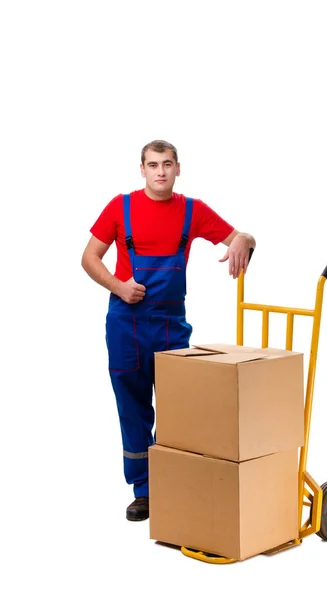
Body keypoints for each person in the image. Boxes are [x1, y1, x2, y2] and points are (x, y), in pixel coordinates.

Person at [81, 140, 256, 522]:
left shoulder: (192, 211)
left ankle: (174, 482)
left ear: (178, 169)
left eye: (167, 164)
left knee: (180, 409)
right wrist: (119, 286)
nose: (161, 171)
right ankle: (143, 490)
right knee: (133, 408)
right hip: (126, 325)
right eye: (153, 164)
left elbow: (239, 237)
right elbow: (88, 257)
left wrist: (246, 239)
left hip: (171, 326)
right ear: (141, 169)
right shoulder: (120, 207)